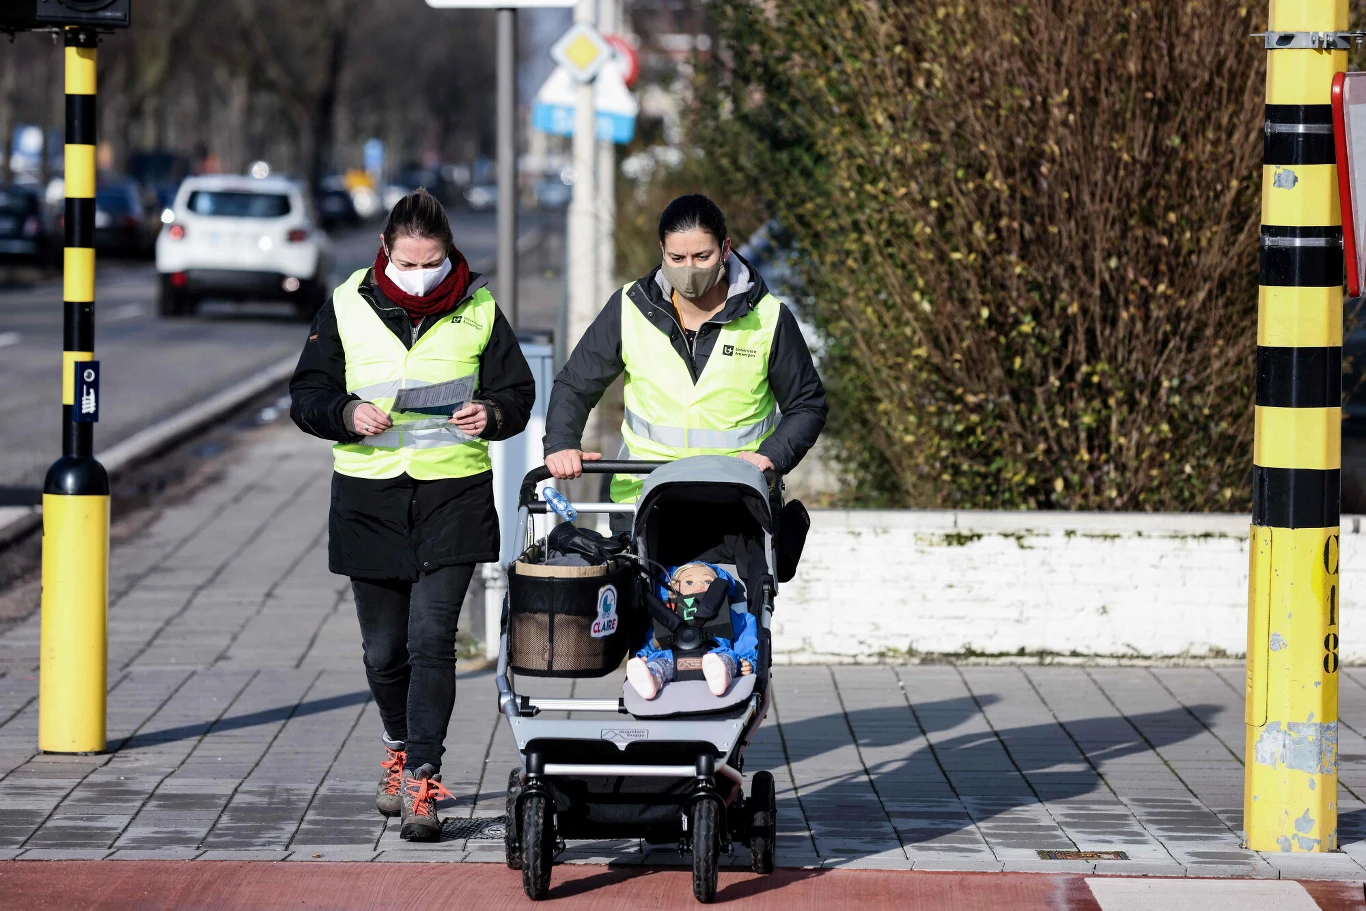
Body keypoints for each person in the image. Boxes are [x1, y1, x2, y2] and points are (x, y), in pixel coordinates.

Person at [289, 189, 534, 842]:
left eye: (432, 263)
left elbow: (517, 393)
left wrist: (492, 413)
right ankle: (397, 745)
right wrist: (345, 413)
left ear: (449, 253)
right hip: (369, 499)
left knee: (432, 642)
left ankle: (424, 780)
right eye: (408, 263)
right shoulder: (346, 304)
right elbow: (307, 394)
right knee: (383, 651)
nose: (421, 275)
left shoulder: (478, 307)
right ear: (385, 251)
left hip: (453, 497)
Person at [543, 193, 827, 507]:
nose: (689, 270)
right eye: (677, 259)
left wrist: (772, 454)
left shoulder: (769, 318)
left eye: (702, 256)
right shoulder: (629, 307)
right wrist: (562, 442)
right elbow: (576, 384)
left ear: (725, 249)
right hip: (642, 498)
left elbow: (806, 404)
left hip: (738, 500)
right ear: (662, 251)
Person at [627, 562, 758, 699]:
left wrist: (746, 660)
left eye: (708, 582)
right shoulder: (665, 615)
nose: (699, 585)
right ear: (673, 588)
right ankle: (650, 680)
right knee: (658, 664)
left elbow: (744, 636)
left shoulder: (727, 614)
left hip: (715, 654)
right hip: (672, 658)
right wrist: (644, 656)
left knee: (726, 660)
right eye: (689, 582)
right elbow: (652, 640)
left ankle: (719, 678)